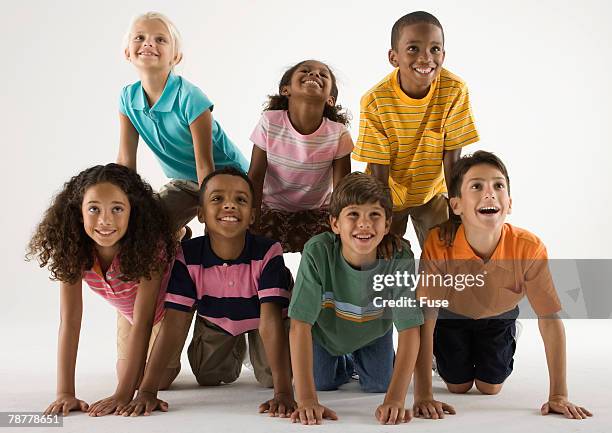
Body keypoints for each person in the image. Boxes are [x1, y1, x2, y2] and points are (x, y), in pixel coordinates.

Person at [414, 151, 592, 420]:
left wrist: (558, 395)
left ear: (509, 204)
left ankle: (509, 332)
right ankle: (443, 356)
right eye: (476, 186)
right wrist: (424, 394)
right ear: (456, 205)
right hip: (452, 316)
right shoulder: (439, 243)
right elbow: (427, 316)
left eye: (498, 185)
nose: (490, 193)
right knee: (457, 386)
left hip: (498, 316)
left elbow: (549, 319)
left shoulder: (528, 247)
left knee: (490, 387)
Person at [119, 167, 295, 417]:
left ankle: (254, 345)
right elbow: (174, 325)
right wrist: (147, 391)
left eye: (241, 200)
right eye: (217, 198)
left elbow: (269, 321)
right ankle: (234, 342)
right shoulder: (187, 256)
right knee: (209, 375)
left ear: (253, 216)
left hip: (265, 320)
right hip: (217, 319)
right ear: (200, 214)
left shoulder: (268, 253)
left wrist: (283, 393)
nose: (230, 206)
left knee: (270, 378)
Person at [27, 164, 178, 417]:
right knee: (128, 373)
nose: (105, 220)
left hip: (163, 309)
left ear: (133, 212)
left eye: (117, 209)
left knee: (157, 380)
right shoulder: (73, 250)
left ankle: (180, 237)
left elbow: (144, 321)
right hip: (126, 306)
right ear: (78, 212)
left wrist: (123, 394)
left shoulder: (150, 247)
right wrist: (65, 392)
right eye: (94, 209)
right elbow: (70, 320)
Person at [288, 172, 423, 425]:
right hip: (326, 334)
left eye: (374, 215)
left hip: (374, 331)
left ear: (387, 224)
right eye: (353, 215)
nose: (364, 224)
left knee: (380, 384)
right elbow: (299, 325)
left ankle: (360, 360)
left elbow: (410, 330)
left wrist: (396, 399)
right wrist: (306, 399)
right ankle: (347, 362)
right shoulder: (318, 252)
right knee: (323, 382)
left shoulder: (400, 257)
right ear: (335, 224)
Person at [352, 11, 479, 249]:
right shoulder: (375, 101)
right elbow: (379, 174)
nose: (425, 58)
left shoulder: (455, 90)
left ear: (444, 54)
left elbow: (452, 160)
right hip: (386, 194)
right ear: (393, 57)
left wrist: (455, 217)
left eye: (434, 49)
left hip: (430, 193)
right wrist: (384, 226)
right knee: (387, 255)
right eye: (413, 48)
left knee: (449, 249)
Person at [118, 11, 248, 237]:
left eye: (160, 39)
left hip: (225, 179)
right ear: (127, 52)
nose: (148, 42)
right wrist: (120, 204)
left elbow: (205, 165)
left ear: (175, 57)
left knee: (220, 238)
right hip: (185, 182)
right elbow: (125, 161)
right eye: (139, 37)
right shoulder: (128, 98)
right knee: (142, 226)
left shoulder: (190, 98)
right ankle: (177, 234)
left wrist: (212, 211)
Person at [248, 59, 353, 253]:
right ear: (286, 89)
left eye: (323, 75)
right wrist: (251, 219)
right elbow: (255, 176)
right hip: (271, 210)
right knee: (247, 243)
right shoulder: (270, 122)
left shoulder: (338, 134)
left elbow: (341, 188)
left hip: (317, 213)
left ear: (330, 98)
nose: (314, 75)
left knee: (337, 245)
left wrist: (343, 231)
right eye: (305, 71)